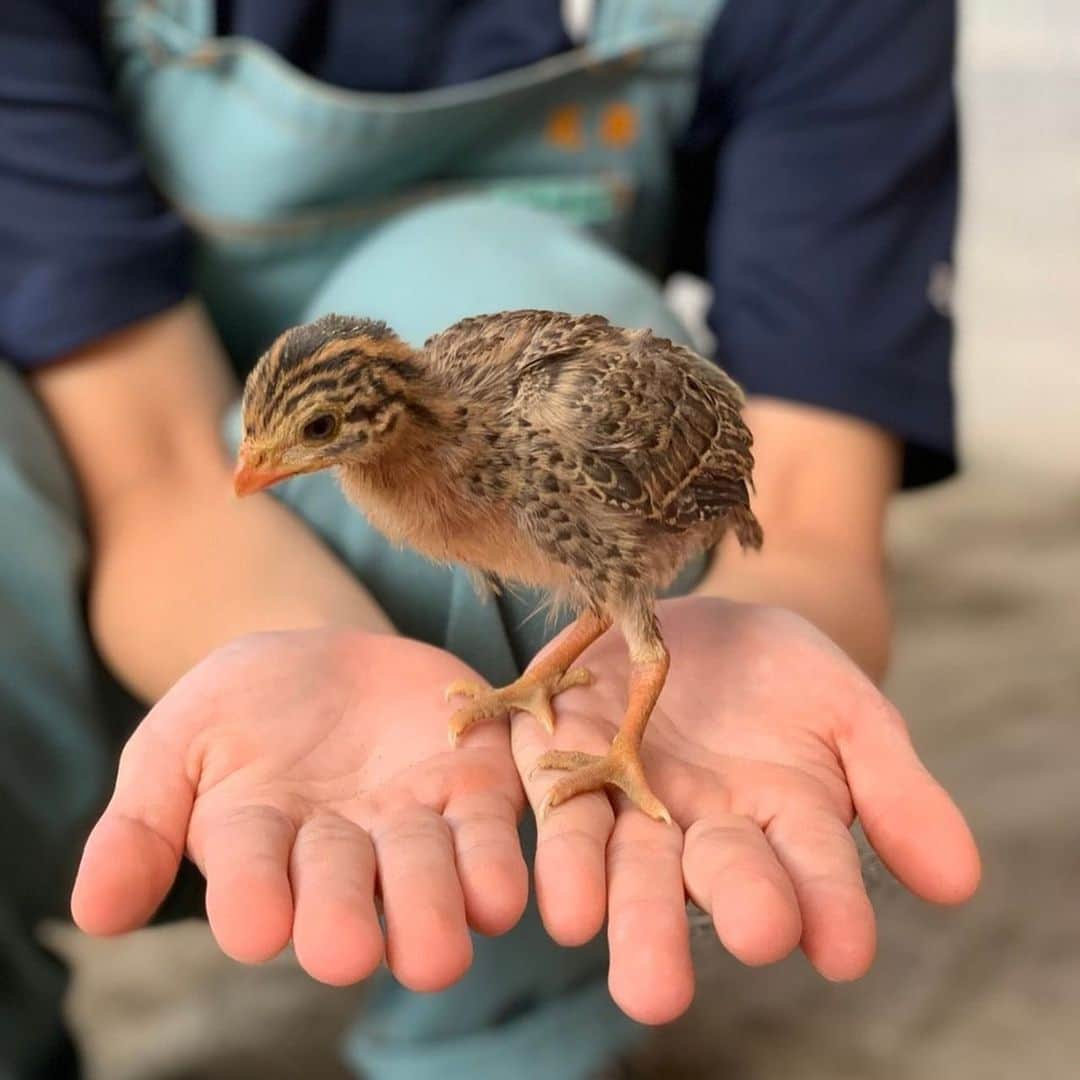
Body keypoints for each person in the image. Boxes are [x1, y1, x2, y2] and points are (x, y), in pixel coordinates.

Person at [0, 1, 980, 1078]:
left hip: (573, 468)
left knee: (488, 281)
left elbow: (801, 504)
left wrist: (754, 635)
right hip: (136, 447)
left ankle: (501, 1032)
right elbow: (160, 476)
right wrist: (307, 651)